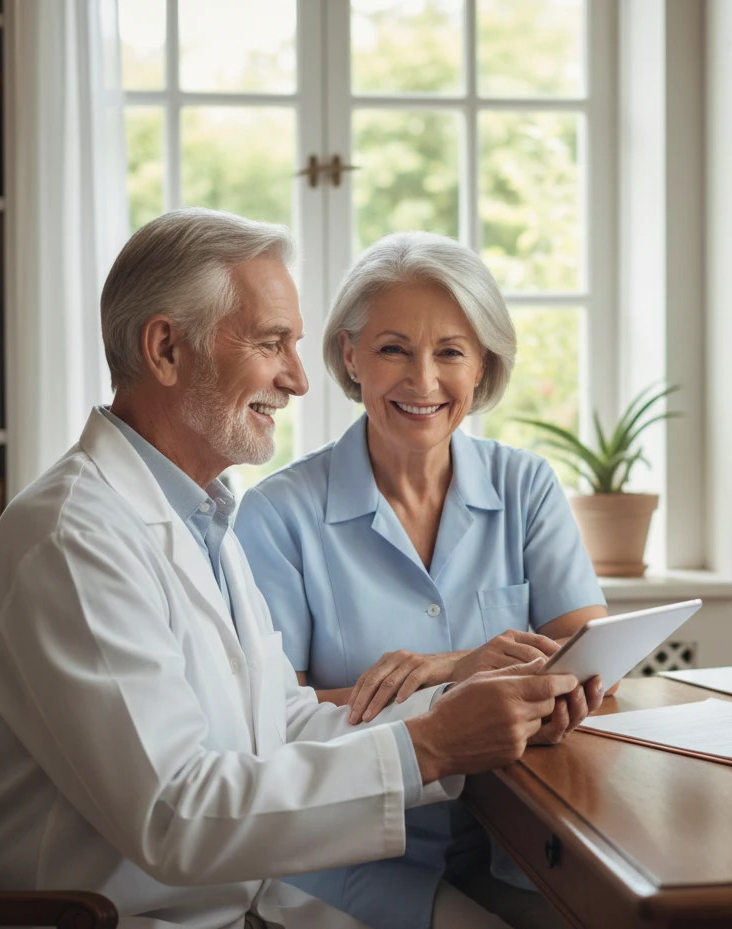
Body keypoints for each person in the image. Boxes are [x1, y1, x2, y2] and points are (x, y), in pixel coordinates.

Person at [0, 209, 598, 929]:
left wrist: (453, 713)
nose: (296, 379)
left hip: (247, 900)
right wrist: (431, 743)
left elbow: (279, 723)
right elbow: (174, 812)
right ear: (165, 349)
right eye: (270, 342)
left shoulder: (203, 518)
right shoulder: (71, 539)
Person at [234, 231, 610, 929]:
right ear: (350, 354)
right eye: (393, 349)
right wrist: (459, 682)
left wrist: (447, 667)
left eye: (450, 352)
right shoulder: (277, 514)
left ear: (483, 364)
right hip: (352, 854)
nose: (424, 381)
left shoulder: (525, 486)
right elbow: (268, 720)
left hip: (519, 838)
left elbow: (590, 661)